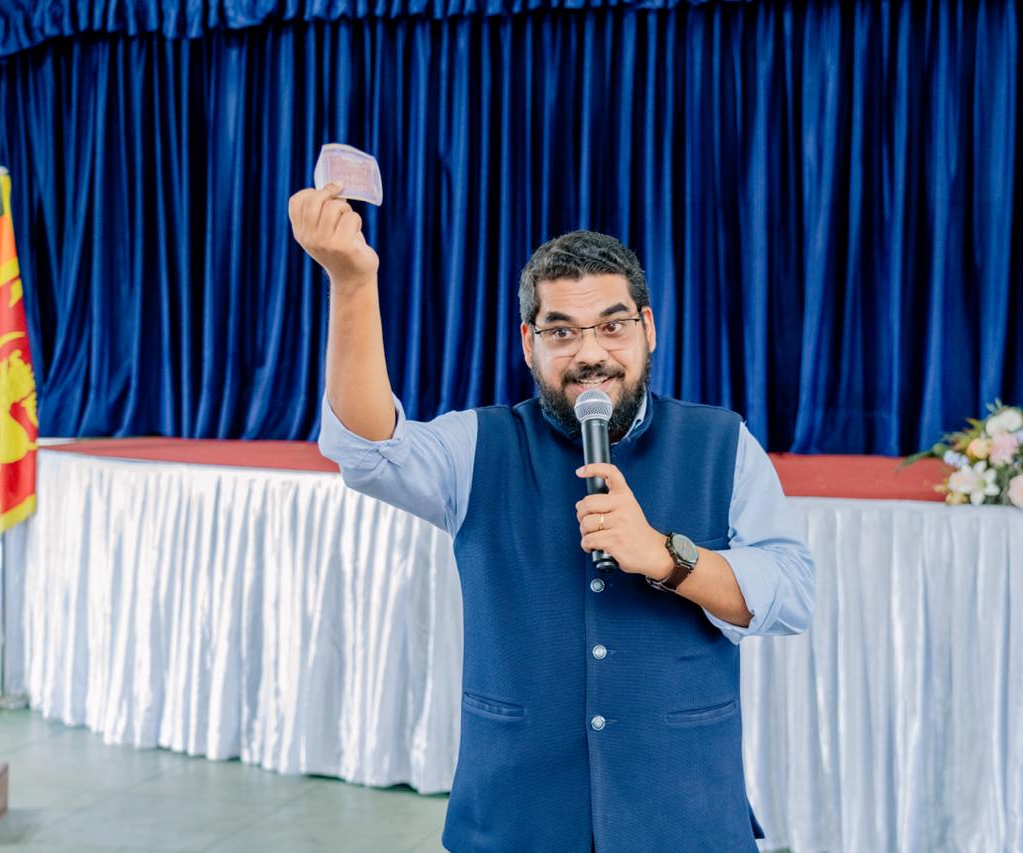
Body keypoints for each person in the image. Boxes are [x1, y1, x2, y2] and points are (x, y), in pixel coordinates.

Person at [289, 183, 816, 853]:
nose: (590, 353)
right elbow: (368, 452)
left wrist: (666, 555)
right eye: (561, 332)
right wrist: (352, 282)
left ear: (648, 330)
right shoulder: (477, 444)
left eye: (612, 326)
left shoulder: (723, 442)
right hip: (515, 820)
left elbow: (792, 593)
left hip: (685, 817)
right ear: (528, 343)